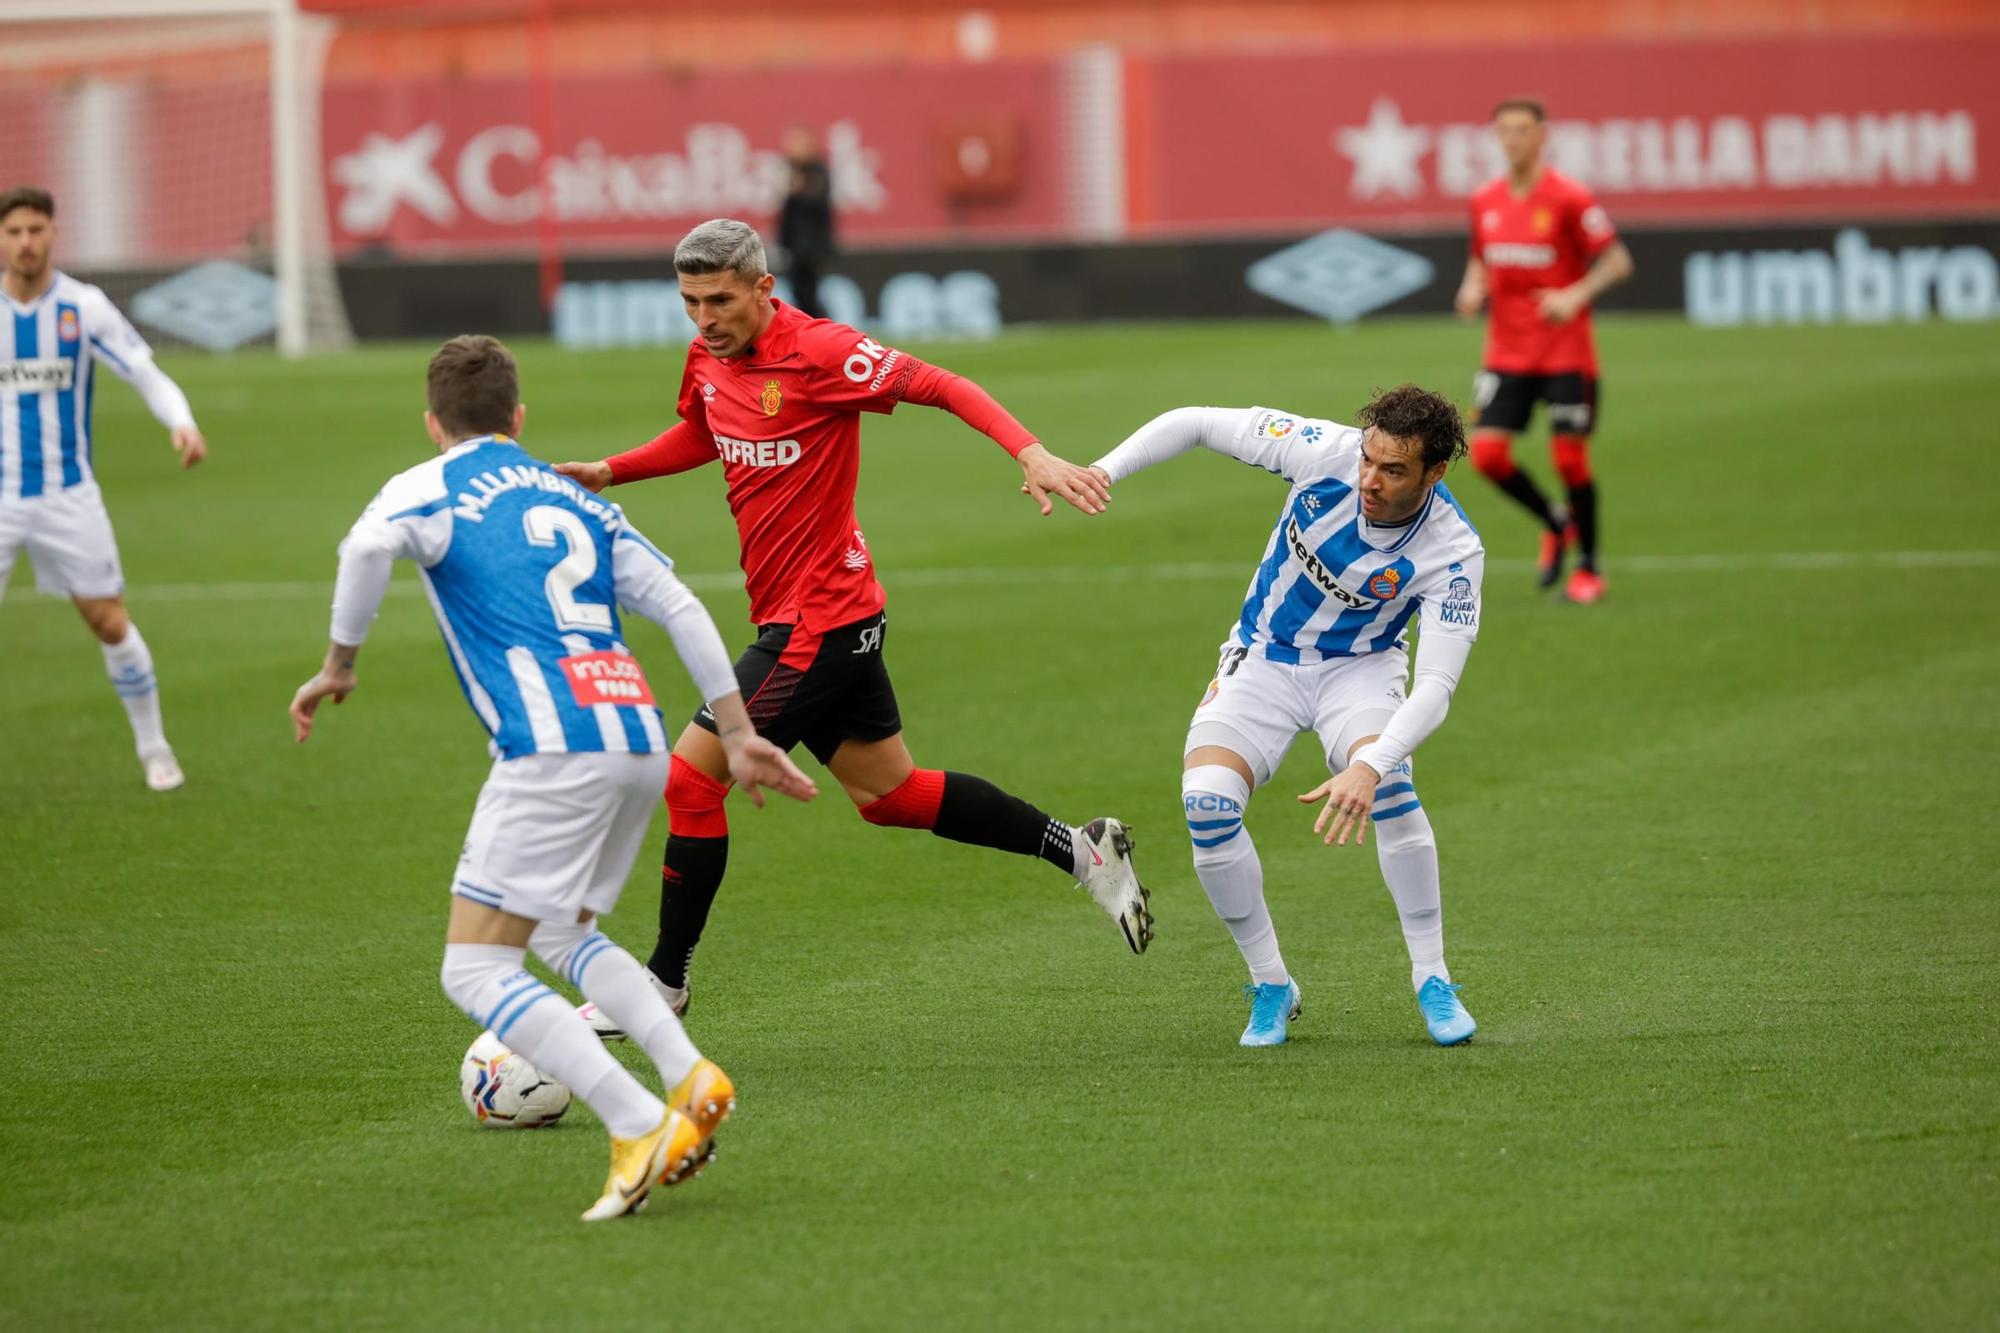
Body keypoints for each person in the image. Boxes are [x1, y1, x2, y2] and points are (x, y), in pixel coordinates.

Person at [555, 218, 1151, 1025]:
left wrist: (1030, 451)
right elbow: (705, 428)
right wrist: (613, 470)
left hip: (818, 622)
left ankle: (663, 983)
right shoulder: (709, 353)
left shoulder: (821, 352)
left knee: (692, 778)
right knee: (889, 793)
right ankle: (1082, 850)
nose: (704, 317)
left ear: (764, 289)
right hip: (819, 614)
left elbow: (943, 385)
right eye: (691, 301)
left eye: (720, 299)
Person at [287, 335, 817, 1221]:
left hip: (550, 746)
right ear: (519, 418)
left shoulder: (428, 485)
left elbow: (361, 551)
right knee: (566, 933)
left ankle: (640, 1121)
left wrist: (340, 663)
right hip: (636, 734)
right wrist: (735, 727)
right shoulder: (571, 497)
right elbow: (681, 603)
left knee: (474, 967)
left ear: (433, 423)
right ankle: (691, 1073)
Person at [1089, 387, 1481, 1048]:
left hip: (1360, 669)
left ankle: (1432, 977)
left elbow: (1437, 685)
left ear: (1435, 473)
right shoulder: (1321, 452)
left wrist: (1370, 762)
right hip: (1263, 657)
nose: (1370, 480)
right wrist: (1105, 469)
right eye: (1369, 459)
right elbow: (1195, 420)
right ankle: (1271, 982)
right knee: (1207, 804)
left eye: (1393, 470)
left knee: (1391, 786)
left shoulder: (1453, 549)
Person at [0, 185, 208, 790]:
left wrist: (182, 422)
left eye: (36, 230)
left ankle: (154, 747)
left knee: (107, 620)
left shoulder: (82, 308)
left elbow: (144, 372)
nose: (26, 242)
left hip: (68, 494)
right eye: (14, 232)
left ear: (53, 235)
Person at [1453, 99, 1633, 604]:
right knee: (1486, 455)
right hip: (1506, 353)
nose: (1512, 139)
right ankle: (1557, 522)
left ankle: (1590, 568)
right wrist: (1472, 288)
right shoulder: (1485, 200)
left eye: (1522, 130)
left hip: (1565, 354)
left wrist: (1575, 295)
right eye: (1504, 130)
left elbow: (1618, 261)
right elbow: (1480, 261)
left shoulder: (1569, 197)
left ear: (1541, 136)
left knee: (1570, 461)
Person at [776, 128, 834, 320]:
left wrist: (799, 191)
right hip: (794, 247)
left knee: (809, 293)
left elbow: (820, 204)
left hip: (812, 248)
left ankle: (822, 327)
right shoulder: (792, 172)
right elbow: (787, 215)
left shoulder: (817, 172)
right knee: (799, 293)